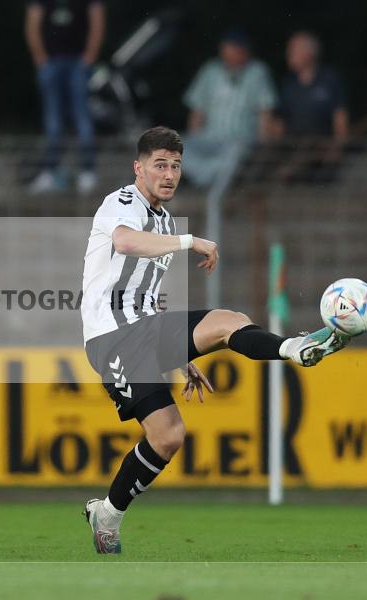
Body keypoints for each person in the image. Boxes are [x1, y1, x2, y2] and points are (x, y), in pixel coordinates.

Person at [80, 126, 349, 554]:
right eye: (159, 165)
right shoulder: (123, 202)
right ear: (138, 168)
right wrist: (190, 242)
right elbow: (125, 242)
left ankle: (295, 348)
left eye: (175, 166)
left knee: (225, 329)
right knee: (171, 429)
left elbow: (142, 297)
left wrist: (179, 356)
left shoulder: (165, 221)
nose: (169, 174)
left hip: (141, 330)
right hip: (112, 338)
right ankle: (108, 514)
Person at [25, 0, 105, 195]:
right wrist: (41, 59)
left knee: (81, 117)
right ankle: (50, 172)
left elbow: (97, 21)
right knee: (53, 119)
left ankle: (87, 172)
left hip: (78, 63)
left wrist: (89, 57)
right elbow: (32, 24)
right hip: (50, 62)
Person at [181, 29, 276, 187]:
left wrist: (263, 143)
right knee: (174, 144)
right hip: (210, 138)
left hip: (239, 140)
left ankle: (209, 175)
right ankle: (208, 174)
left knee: (236, 152)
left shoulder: (257, 72)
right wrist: (195, 136)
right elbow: (197, 111)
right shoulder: (210, 71)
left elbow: (265, 111)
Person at [272, 31, 349, 182]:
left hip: (322, 153)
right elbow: (280, 121)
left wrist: (338, 147)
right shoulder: (288, 84)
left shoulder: (329, 80)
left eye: (293, 50)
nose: (289, 55)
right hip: (293, 151)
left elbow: (340, 118)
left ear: (309, 53)